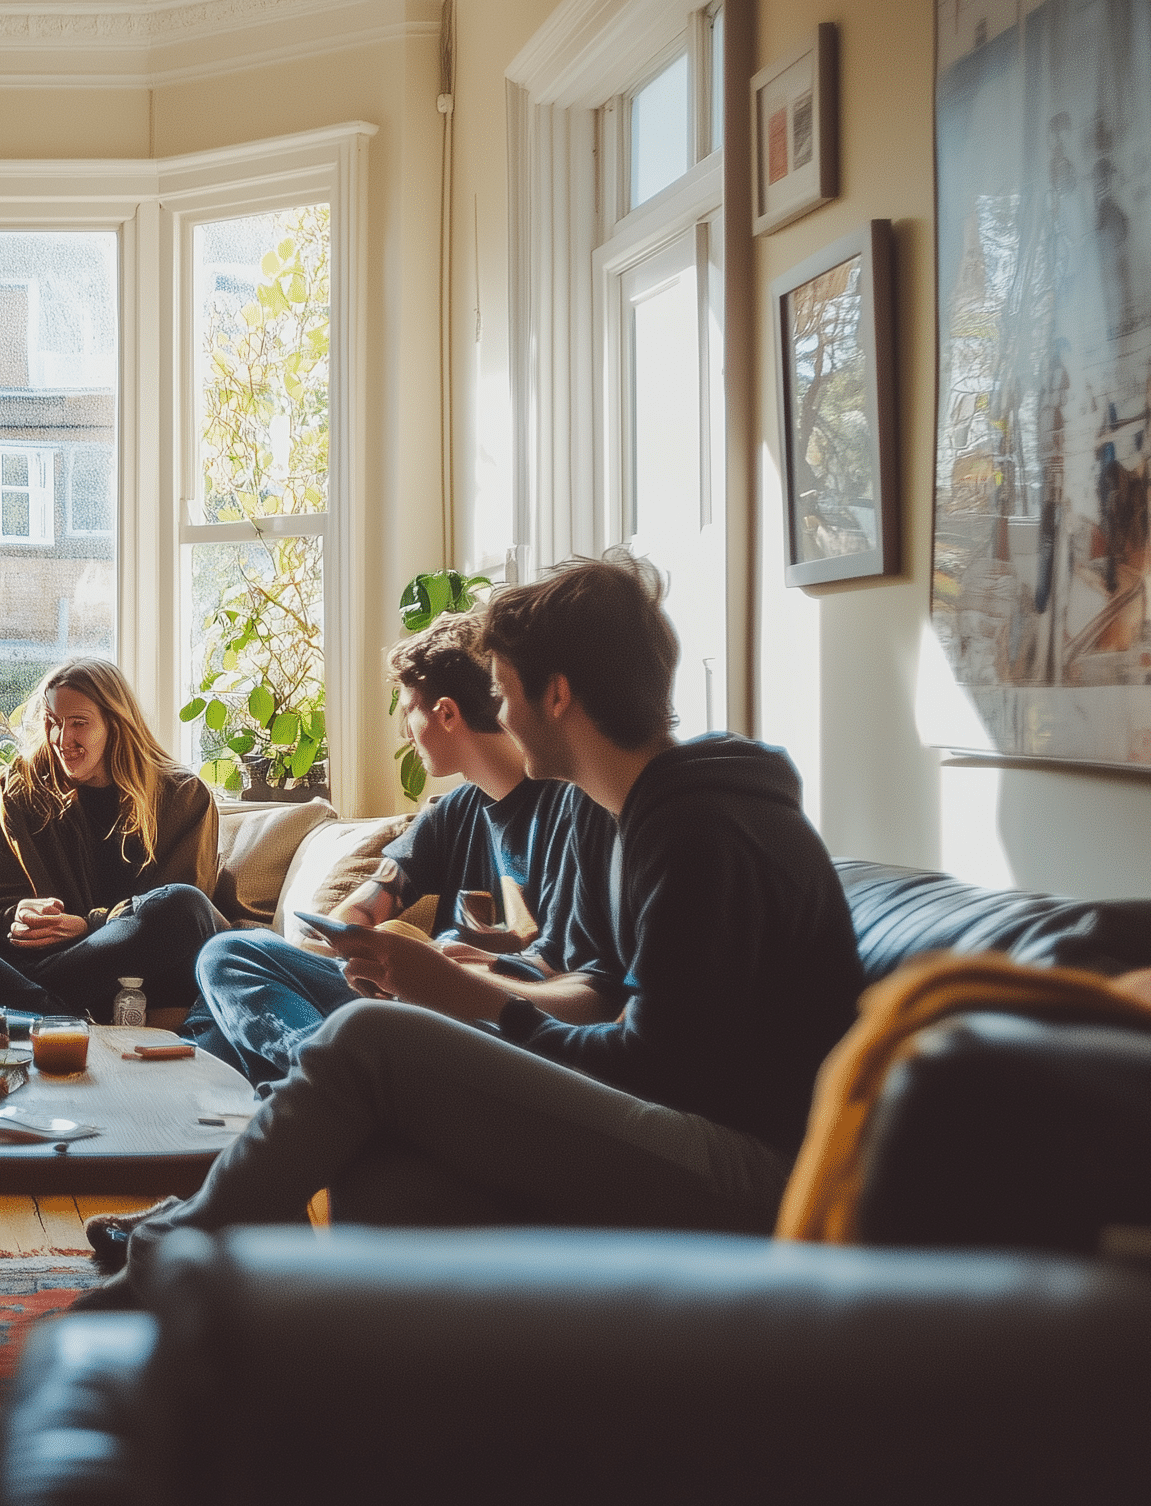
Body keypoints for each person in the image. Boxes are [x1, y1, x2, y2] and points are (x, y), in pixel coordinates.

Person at [79, 554, 865, 1305]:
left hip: (753, 1170)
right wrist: (461, 998)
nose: (499, 712)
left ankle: (174, 1251)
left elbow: (650, 1066)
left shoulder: (700, 831)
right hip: (675, 1117)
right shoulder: (643, 814)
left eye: (505, 689)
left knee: (368, 1040)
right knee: (388, 1161)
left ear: (556, 694)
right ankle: (269, 1286)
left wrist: (469, 997)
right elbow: (609, 1006)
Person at [185, 613, 620, 1084]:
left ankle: (330, 1082)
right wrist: (357, 944)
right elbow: (367, 905)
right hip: (411, 1001)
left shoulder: (575, 807)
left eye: (408, 709)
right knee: (228, 958)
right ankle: (332, 1077)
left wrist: (454, 972)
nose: (403, 733)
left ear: (446, 714)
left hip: (492, 1018)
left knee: (225, 981)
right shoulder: (452, 812)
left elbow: (580, 986)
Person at [0, 658, 229, 1018]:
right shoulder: (17, 788)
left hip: (134, 973)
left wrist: (90, 925)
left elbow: (172, 904)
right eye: (53, 722)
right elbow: (2, 898)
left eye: (79, 723)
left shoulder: (183, 795)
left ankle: (23, 1004)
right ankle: (47, 1009)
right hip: (46, 961)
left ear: (115, 724)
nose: (62, 739)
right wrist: (19, 914)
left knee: (186, 905)